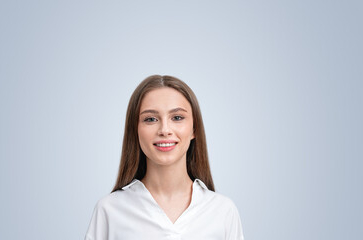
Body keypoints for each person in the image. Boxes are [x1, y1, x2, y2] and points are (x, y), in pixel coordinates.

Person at [85, 75, 244, 240]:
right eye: (151, 119)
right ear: (135, 130)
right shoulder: (110, 211)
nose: (164, 130)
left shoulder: (223, 212)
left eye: (177, 118)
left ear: (194, 129)